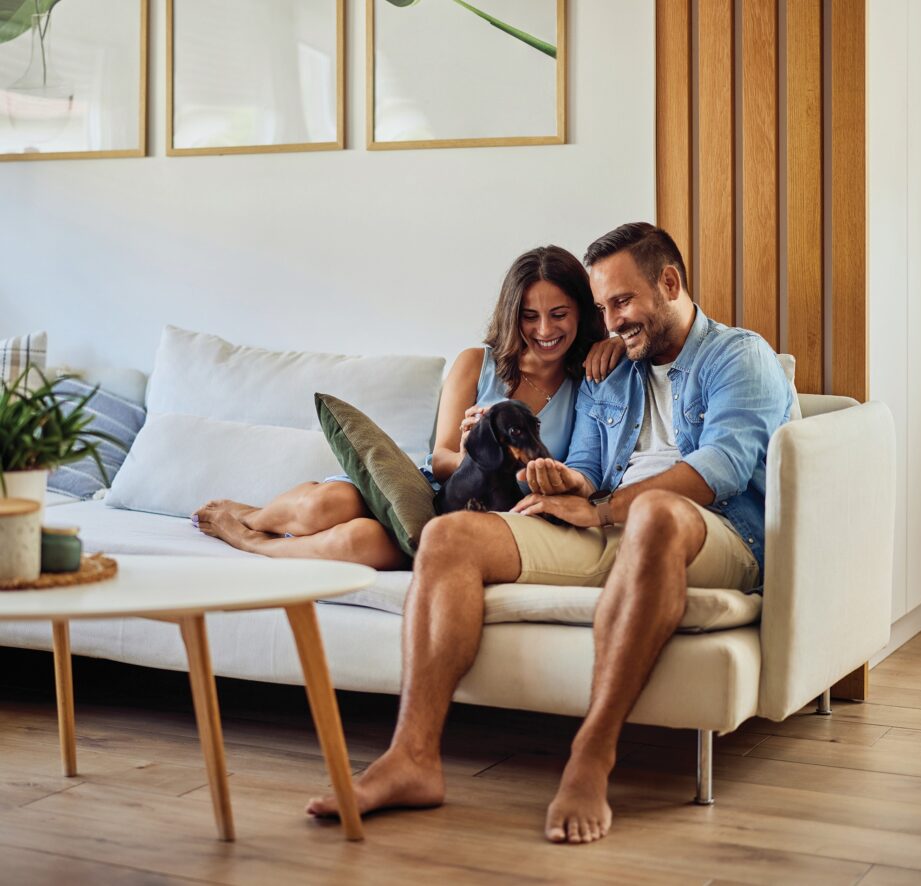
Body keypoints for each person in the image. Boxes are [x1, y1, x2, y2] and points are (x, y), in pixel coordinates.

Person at [306, 222, 793, 844]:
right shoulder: (614, 370)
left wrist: (608, 508)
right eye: (603, 308)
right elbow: (590, 468)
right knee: (451, 535)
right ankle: (412, 759)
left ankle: (592, 753)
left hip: (714, 534)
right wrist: (564, 483)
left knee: (656, 514)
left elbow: (717, 471)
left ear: (670, 283)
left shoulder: (737, 357)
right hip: (611, 523)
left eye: (622, 303)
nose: (611, 321)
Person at [192, 246, 624, 567]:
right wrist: (477, 450)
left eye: (559, 314)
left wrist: (617, 342)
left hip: (483, 515)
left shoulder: (591, 375)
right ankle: (257, 517)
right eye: (530, 316)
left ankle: (254, 543)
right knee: (325, 507)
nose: (544, 329)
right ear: (513, 315)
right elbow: (440, 462)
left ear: (581, 313)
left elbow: (588, 458)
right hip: (433, 492)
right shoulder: (477, 364)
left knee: (360, 542)